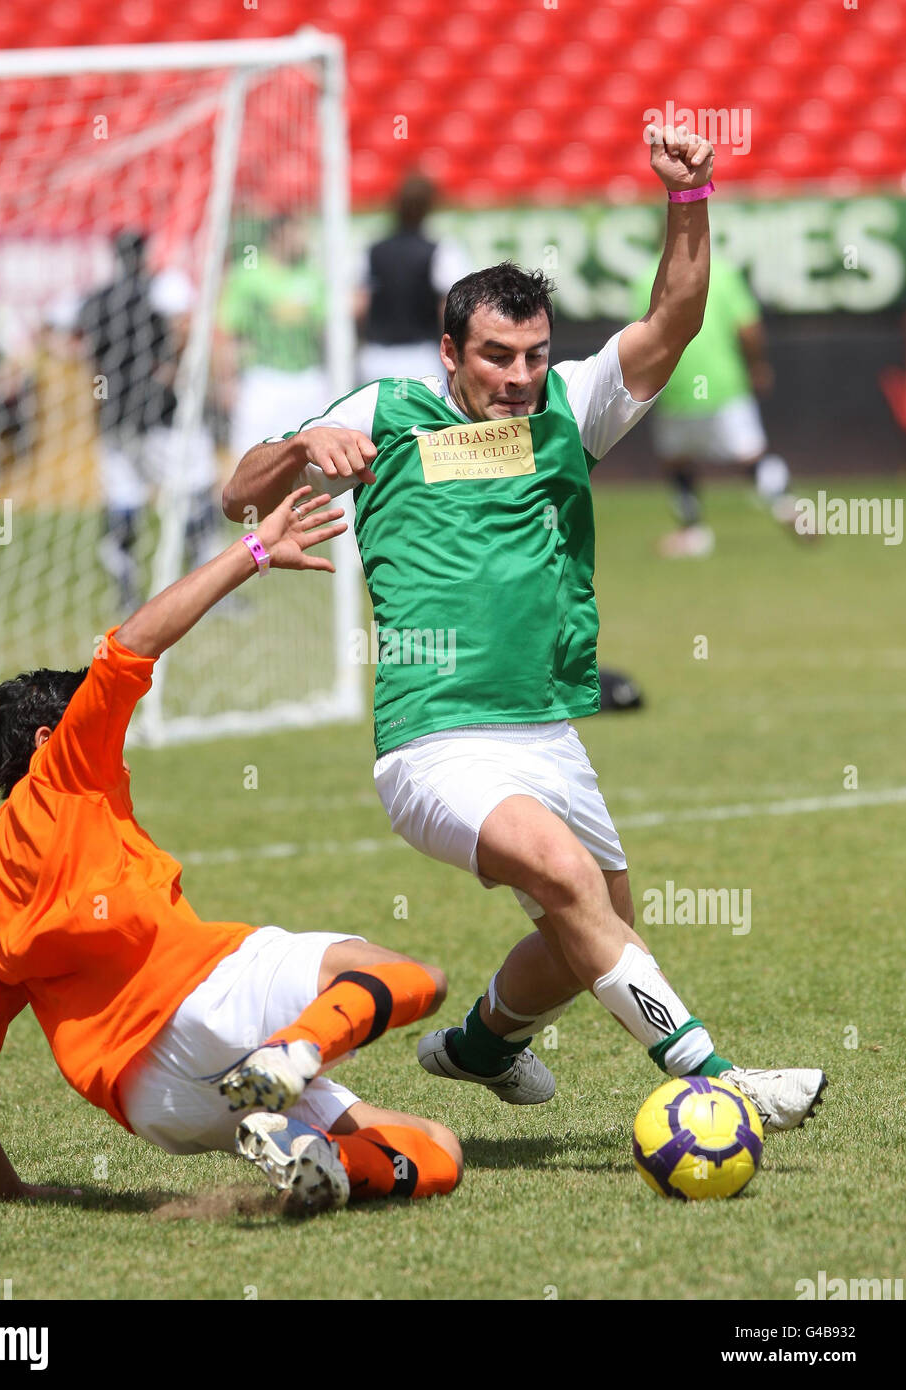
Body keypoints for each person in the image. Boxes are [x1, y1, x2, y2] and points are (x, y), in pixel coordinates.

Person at [222, 127, 826, 1136]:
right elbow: (237, 495)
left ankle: (480, 1045)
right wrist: (294, 445)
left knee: (593, 928)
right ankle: (715, 1079)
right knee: (564, 879)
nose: (517, 376)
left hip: (547, 731)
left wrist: (690, 196)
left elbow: (675, 316)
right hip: (434, 739)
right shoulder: (384, 408)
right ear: (450, 351)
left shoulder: (569, 410)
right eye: (496, 357)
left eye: (534, 355)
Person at [0, 487, 462, 1215]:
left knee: (437, 1150)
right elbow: (132, 643)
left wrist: (7, 1189)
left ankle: (318, 1160)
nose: (120, 754)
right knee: (414, 976)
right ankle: (291, 1055)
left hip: (156, 1104)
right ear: (53, 740)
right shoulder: (67, 771)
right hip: (206, 998)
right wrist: (254, 551)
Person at [630, 253, 795, 557]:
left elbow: (641, 336)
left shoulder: (646, 278)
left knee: (677, 462)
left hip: (674, 384)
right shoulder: (721, 271)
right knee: (751, 457)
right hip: (723, 385)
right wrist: (758, 365)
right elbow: (748, 326)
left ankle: (693, 531)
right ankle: (785, 504)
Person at [77, 231, 173, 612]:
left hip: (112, 411)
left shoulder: (97, 300)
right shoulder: (153, 299)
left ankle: (126, 586)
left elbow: (80, 348)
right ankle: (198, 581)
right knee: (186, 492)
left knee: (124, 498)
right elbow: (165, 359)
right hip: (152, 414)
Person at [219, 214, 329, 465]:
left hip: (308, 377)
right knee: (251, 456)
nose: (303, 239)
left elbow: (325, 324)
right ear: (278, 235)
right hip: (263, 378)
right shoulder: (248, 275)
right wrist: (227, 381)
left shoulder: (312, 274)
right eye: (297, 232)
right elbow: (228, 332)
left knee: (311, 460)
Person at [355, 172, 470, 385]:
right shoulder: (441, 251)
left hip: (375, 358)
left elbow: (358, 308)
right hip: (421, 358)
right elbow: (449, 311)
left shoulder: (372, 251)